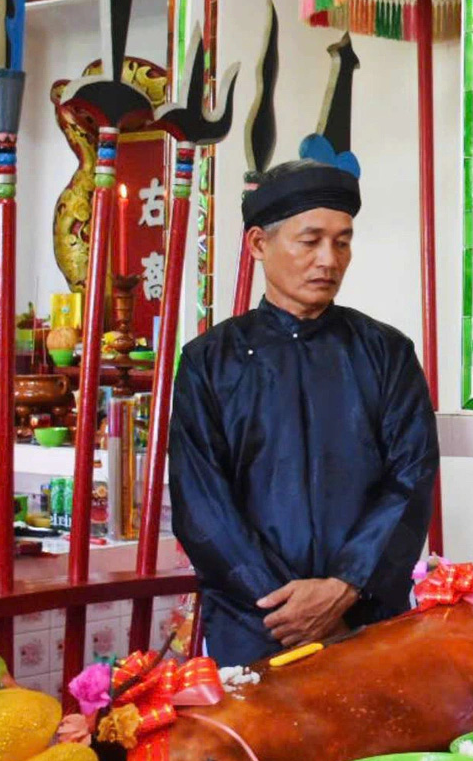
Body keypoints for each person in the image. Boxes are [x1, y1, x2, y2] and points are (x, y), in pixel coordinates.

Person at [170, 161, 438, 667]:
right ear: (257, 244)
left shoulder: (386, 352)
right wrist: (285, 607)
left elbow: (410, 479)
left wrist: (344, 588)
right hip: (256, 623)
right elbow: (202, 505)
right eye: (310, 240)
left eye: (342, 242)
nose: (328, 260)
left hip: (364, 615)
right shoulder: (210, 361)